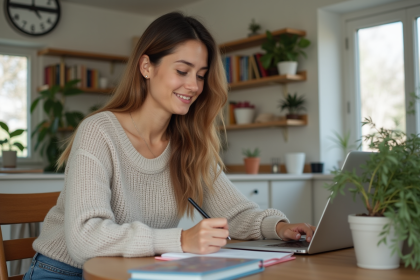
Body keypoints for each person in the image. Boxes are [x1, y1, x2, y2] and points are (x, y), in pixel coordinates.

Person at [24, 12, 315, 280]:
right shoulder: (99, 131)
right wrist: (181, 240)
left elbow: (234, 215)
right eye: (183, 71)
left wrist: (278, 228)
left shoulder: (187, 143)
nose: (194, 86)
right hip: (63, 272)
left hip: (136, 270)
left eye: (200, 75)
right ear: (147, 66)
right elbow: (84, 238)